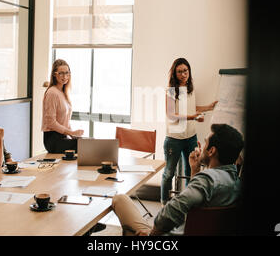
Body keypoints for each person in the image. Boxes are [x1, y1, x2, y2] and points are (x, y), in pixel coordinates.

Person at [112, 123, 243, 236]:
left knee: (120, 199)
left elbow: (174, 209)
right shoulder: (236, 182)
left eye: (205, 142)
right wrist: (194, 171)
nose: (202, 146)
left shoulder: (207, 180)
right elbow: (197, 207)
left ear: (211, 151)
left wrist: (152, 234)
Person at [161, 57, 218, 204]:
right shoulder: (171, 91)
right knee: (169, 174)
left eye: (185, 71)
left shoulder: (191, 89)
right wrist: (192, 117)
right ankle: (164, 204)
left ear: (189, 71)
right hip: (174, 139)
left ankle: (187, 202)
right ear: (174, 74)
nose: (183, 74)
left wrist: (209, 107)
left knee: (192, 171)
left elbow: (193, 108)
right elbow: (171, 114)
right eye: (179, 72)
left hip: (191, 137)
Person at [42, 59, 84, 153]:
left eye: (67, 73)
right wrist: (71, 133)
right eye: (61, 73)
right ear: (54, 74)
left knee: (89, 141)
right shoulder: (52, 93)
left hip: (63, 137)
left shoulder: (63, 93)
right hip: (53, 140)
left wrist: (74, 135)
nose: (65, 76)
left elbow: (65, 121)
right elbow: (50, 122)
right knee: (86, 144)